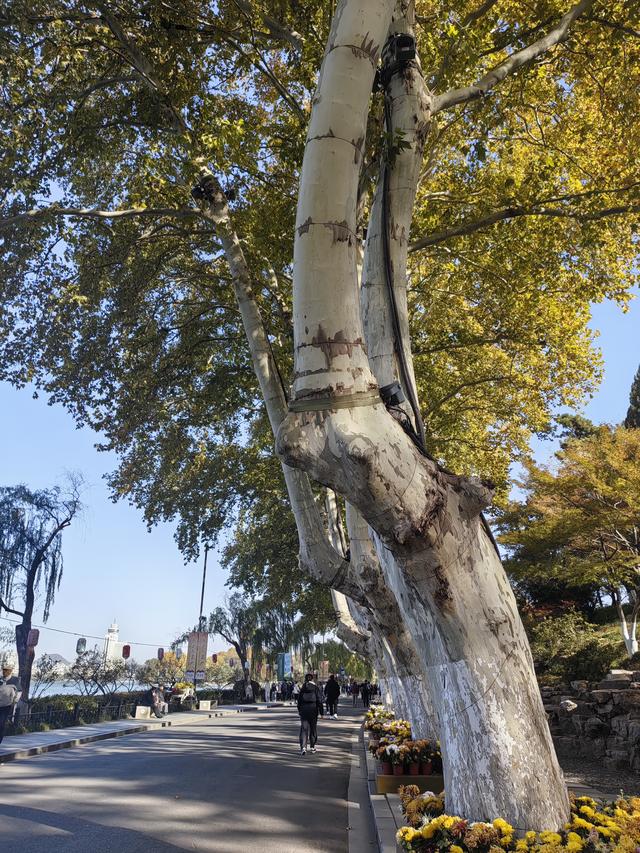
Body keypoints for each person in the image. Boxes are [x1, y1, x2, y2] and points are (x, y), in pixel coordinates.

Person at [297, 672, 323, 755]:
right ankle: (312, 746)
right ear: (312, 679)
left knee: (304, 729)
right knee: (313, 728)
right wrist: (321, 712)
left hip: (304, 710)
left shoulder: (303, 688)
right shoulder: (316, 688)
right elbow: (319, 700)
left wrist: (300, 711)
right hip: (313, 710)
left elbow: (299, 701)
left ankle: (303, 747)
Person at [0, 663, 22, 744]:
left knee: (1, 724)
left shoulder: (14, 680)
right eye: (3, 670)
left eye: (6, 670)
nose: (4, 672)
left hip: (6, 706)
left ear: (10, 671)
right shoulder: (0, 680)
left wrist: (14, 701)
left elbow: (19, 692)